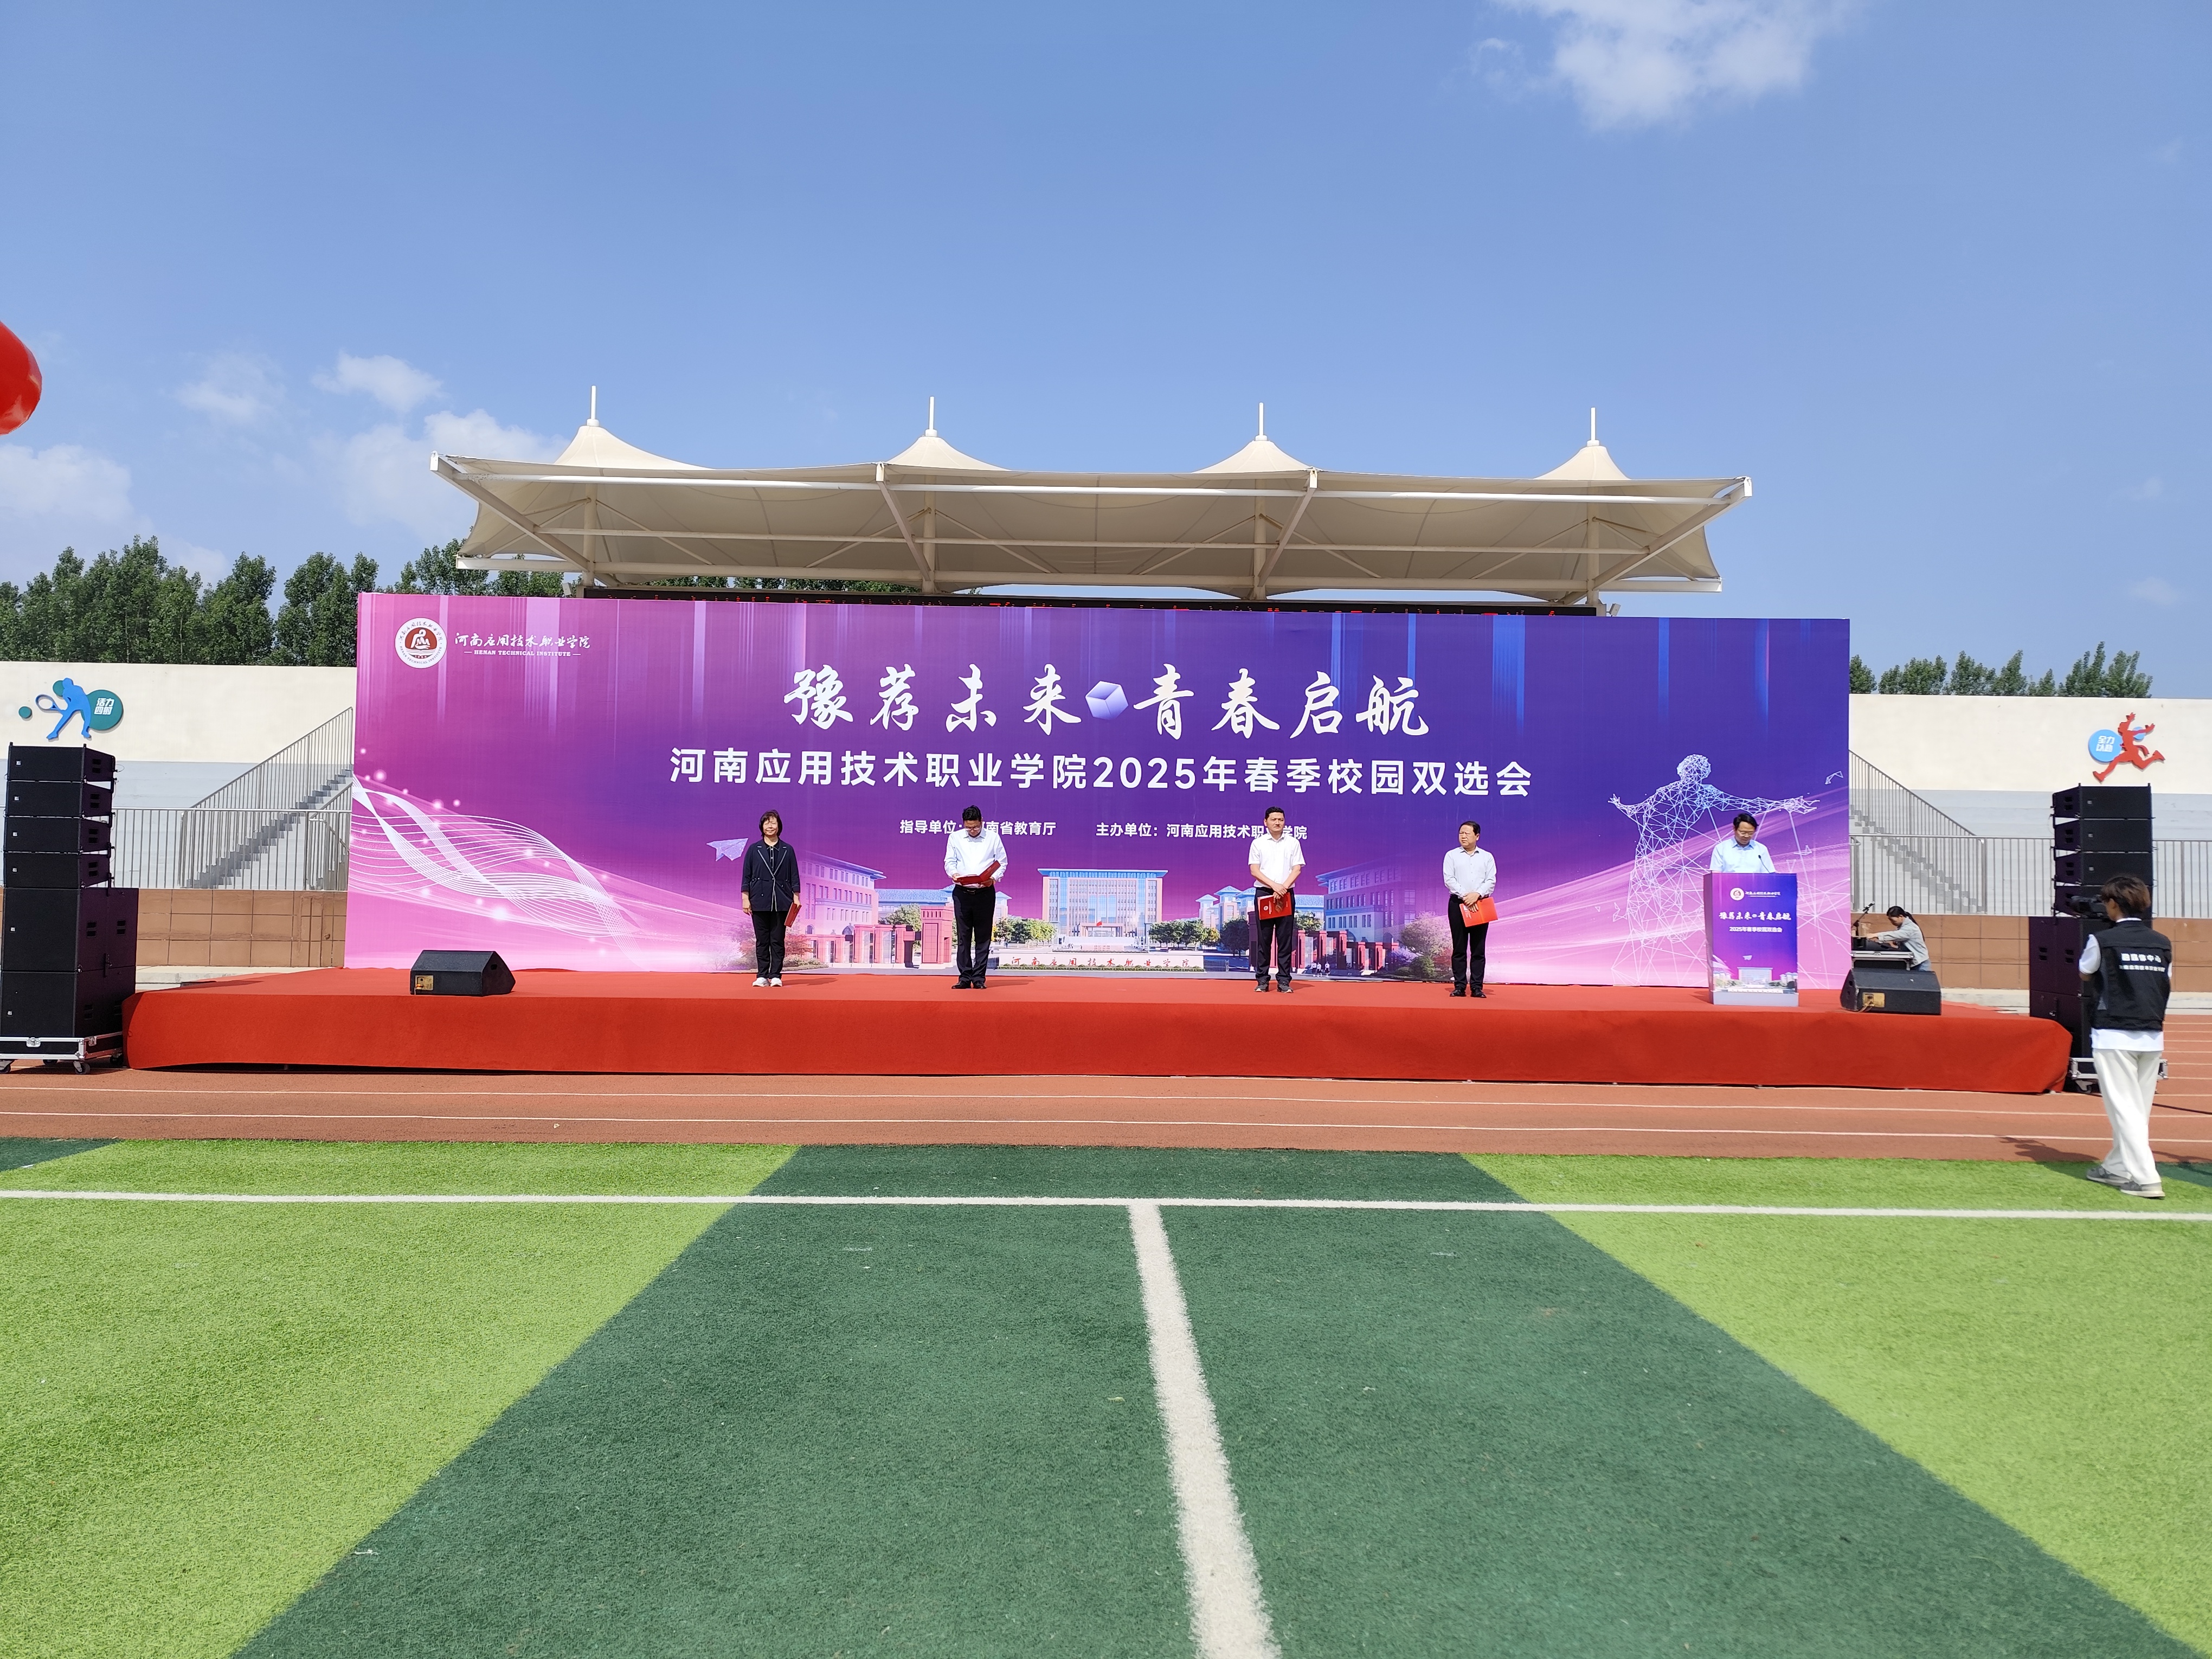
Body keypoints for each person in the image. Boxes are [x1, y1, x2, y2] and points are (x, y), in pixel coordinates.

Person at [2077, 874, 2172, 1200]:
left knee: (2125, 1110)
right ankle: (2117, 1167)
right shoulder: (2162, 942)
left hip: (2114, 1033)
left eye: (2107, 901)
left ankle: (2146, 1179)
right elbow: (2166, 981)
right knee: (2137, 1111)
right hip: (2152, 1033)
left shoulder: (2101, 940)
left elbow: (2085, 972)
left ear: (2114, 904)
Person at [944, 805, 1008, 989]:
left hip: (984, 893)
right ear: (963, 824)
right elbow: (949, 861)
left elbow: (1002, 862)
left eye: (975, 827)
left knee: (983, 936)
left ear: (982, 822)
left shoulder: (993, 838)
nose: (972, 830)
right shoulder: (955, 837)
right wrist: (954, 874)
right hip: (962, 893)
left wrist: (993, 879)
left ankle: (979, 978)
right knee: (963, 936)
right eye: (968, 827)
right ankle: (964, 977)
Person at [739, 809, 800, 987]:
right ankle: (762, 976)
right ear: (762, 827)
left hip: (782, 900)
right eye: (767, 823)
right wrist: (745, 899)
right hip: (759, 900)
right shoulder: (754, 849)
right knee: (762, 940)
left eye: (773, 822)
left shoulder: (788, 849)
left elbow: (794, 875)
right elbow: (747, 876)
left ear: (779, 826)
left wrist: (796, 897)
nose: (770, 826)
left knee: (778, 940)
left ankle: (776, 976)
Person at [1248, 806, 1304, 993]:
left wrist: (1283, 887)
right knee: (1264, 940)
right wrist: (1275, 886)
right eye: (1273, 819)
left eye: (1281, 819)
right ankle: (1262, 981)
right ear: (1266, 822)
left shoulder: (1293, 843)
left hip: (1286, 894)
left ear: (1284, 822)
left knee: (1285, 940)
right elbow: (1255, 870)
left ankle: (1284, 981)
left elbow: (1297, 869)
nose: (1277, 823)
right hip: (1265, 894)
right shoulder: (1258, 843)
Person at [1443, 819, 1497, 999]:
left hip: (1481, 904)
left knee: (1478, 948)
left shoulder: (1487, 857)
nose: (1463, 836)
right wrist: (1467, 896)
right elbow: (1449, 879)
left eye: (1467, 833)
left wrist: (1477, 895)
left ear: (1477, 836)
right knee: (1459, 948)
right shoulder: (1451, 855)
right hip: (1458, 904)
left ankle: (1477, 987)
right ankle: (1459, 986)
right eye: (1461, 833)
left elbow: (1491, 880)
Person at [1862, 905, 1929, 969]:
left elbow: (1896, 935)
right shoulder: (1903, 927)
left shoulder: (1910, 928)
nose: (1892, 923)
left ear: (1901, 916)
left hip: (1920, 964)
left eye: (1893, 921)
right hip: (1913, 962)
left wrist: (1876, 935)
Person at [1709, 812, 1778, 874]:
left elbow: (1768, 873)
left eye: (1750, 833)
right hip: (1729, 883)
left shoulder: (1761, 849)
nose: (1746, 836)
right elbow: (1716, 874)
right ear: (1734, 829)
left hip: (1756, 883)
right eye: (1743, 833)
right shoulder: (1721, 848)